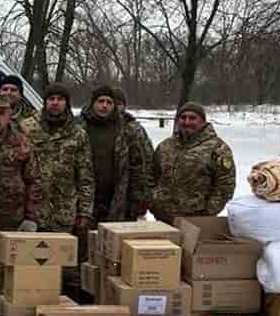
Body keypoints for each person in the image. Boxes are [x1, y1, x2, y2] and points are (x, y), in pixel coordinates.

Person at [21, 82, 94, 301]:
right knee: (31, 263)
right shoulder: (28, 127)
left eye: (60, 99)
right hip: (32, 210)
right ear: (45, 102)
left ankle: (57, 308)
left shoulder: (77, 133)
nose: (55, 103)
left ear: (66, 103)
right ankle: (29, 304)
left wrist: (84, 212)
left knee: (61, 266)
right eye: (51, 99)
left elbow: (85, 175)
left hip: (64, 212)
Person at [0, 91, 42, 316]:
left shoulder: (21, 141)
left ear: (10, 114)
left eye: (1, 113)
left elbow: (34, 180)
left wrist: (31, 218)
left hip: (10, 221)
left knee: (1, 274)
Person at [150, 102, 236, 226]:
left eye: (192, 118)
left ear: (202, 121)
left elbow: (225, 185)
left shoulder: (217, 148)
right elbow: (152, 176)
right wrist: (153, 203)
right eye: (183, 117)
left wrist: (209, 211)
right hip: (164, 219)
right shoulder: (165, 146)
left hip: (197, 220)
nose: (187, 122)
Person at [80, 85, 148, 226]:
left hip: (117, 200)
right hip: (84, 199)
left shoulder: (127, 129)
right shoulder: (79, 127)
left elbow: (138, 167)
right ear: (92, 103)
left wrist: (137, 199)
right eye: (100, 101)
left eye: (109, 102)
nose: (104, 106)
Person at [112, 86, 155, 217]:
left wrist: (143, 197)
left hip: (129, 195)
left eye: (119, 104)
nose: (115, 108)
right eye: (112, 103)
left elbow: (147, 164)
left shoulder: (134, 130)